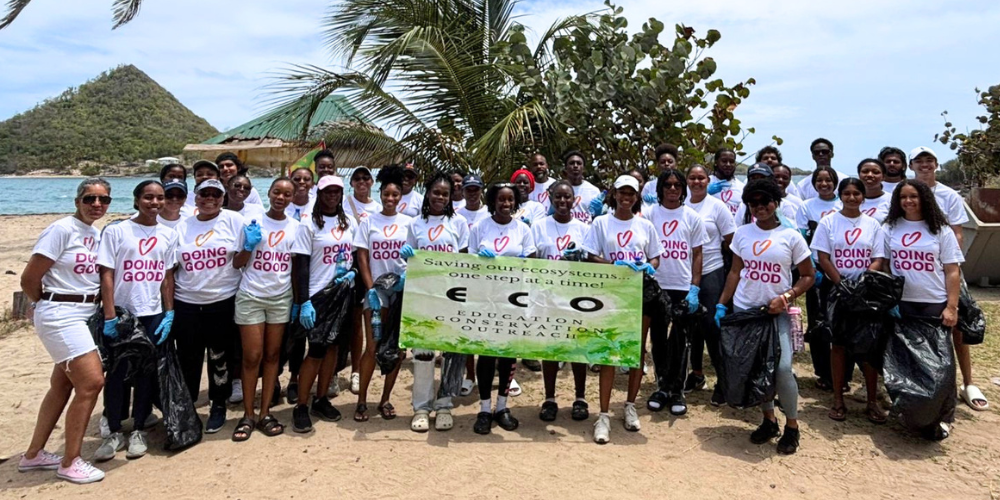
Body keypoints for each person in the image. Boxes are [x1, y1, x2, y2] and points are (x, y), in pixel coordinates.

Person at [18, 178, 111, 484]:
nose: (96, 204)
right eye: (89, 199)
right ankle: (70, 461)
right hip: (61, 314)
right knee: (91, 382)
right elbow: (30, 279)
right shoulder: (61, 230)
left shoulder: (94, 233)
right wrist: (45, 305)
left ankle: (34, 454)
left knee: (62, 385)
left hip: (85, 313)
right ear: (77, 201)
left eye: (103, 200)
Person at [716, 178, 815, 455]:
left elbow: (808, 276)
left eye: (765, 201)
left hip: (776, 313)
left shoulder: (791, 236)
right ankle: (769, 420)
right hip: (747, 311)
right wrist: (722, 304)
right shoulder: (743, 234)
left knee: (782, 369)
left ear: (776, 203)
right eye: (753, 203)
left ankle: (792, 426)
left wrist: (786, 297)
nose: (760, 207)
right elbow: (735, 271)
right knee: (757, 368)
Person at [95, 180, 178, 461]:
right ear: (136, 200)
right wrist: (109, 315)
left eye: (159, 198)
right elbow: (106, 274)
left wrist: (169, 312)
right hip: (122, 312)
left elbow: (167, 276)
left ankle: (140, 428)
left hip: (152, 312)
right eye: (148, 197)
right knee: (116, 373)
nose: (154, 203)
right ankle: (114, 430)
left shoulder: (168, 234)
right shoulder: (117, 230)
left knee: (146, 371)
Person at [582, 175, 662, 444]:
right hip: (610, 295)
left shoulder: (646, 225)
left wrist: (649, 265)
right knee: (608, 352)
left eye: (631, 193)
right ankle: (603, 415)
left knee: (636, 352)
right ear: (614, 195)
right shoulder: (601, 223)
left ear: (637, 196)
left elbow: (655, 256)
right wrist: (612, 266)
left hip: (640, 294)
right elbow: (590, 255)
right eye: (621, 193)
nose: (626, 197)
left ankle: (629, 405)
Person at [908, 147, 987, 411]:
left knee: (957, 324)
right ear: (911, 166)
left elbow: (957, 234)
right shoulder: (905, 194)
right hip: (916, 274)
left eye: (929, 160)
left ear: (936, 164)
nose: (925, 165)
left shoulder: (949, 195)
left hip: (946, 269)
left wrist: (951, 270)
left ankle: (968, 382)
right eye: (919, 161)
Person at [882, 179, 963, 438]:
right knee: (906, 364)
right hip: (902, 305)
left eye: (914, 196)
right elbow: (884, 264)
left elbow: (952, 270)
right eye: (903, 197)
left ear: (924, 198)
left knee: (942, 366)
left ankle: (943, 416)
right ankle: (908, 412)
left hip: (934, 304)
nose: (908, 201)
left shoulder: (941, 230)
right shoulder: (890, 227)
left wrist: (952, 306)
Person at [171, 179, 245, 434]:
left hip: (222, 300)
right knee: (188, 357)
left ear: (223, 198)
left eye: (216, 194)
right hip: (187, 302)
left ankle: (218, 405)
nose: (210, 199)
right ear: (196, 197)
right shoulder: (182, 226)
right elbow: (171, 269)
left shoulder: (234, 221)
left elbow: (243, 257)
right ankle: (189, 405)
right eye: (204, 194)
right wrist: (169, 308)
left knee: (219, 357)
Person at [811, 178, 888, 423]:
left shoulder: (873, 224)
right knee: (839, 345)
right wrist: (841, 283)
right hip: (838, 291)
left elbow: (878, 257)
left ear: (863, 197)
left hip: (866, 294)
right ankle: (837, 399)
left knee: (868, 346)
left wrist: (863, 282)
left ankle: (872, 401)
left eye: (856, 193)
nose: (852, 198)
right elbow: (823, 257)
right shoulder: (828, 222)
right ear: (840, 196)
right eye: (847, 193)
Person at [231, 178, 299, 441]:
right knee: (252, 357)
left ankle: (265, 412)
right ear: (268, 193)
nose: (281, 197)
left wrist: (298, 302)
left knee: (272, 356)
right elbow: (237, 262)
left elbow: (294, 266)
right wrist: (248, 246)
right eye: (277, 192)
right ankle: (248, 414)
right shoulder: (252, 221)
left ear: (293, 198)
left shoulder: (296, 227)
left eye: (287, 194)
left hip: (281, 298)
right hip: (251, 295)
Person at [402, 171, 470, 432]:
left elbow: (464, 260)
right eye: (435, 192)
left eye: (445, 193)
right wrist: (408, 257)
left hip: (451, 295)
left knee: (451, 351)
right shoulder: (415, 223)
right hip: (421, 296)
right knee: (423, 352)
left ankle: (444, 404)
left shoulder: (459, 223)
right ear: (427, 193)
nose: (440, 197)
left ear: (451, 195)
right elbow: (408, 259)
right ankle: (421, 406)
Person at [289, 175, 358, 433]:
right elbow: (301, 265)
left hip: (342, 292)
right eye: (327, 191)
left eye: (337, 192)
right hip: (318, 295)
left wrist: (352, 272)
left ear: (341, 194)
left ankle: (321, 399)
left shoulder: (348, 221)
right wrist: (303, 301)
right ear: (319, 193)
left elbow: (352, 255)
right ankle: (301, 406)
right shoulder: (308, 224)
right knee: (316, 350)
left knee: (333, 349)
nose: (332, 196)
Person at [469, 183, 537, 434]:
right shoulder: (480, 228)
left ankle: (502, 406)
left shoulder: (523, 229)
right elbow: (470, 261)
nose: (505, 204)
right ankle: (485, 409)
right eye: (501, 199)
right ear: (492, 201)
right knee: (486, 355)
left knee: (508, 355)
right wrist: (480, 259)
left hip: (514, 300)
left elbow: (531, 261)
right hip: (486, 300)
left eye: (510, 200)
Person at [645, 169, 708, 416]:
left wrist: (695, 287)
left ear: (683, 189)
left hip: (682, 285)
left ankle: (677, 389)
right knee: (658, 338)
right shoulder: (649, 215)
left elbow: (698, 253)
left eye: (677, 185)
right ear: (660, 188)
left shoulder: (692, 217)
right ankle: (662, 386)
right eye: (668, 185)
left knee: (681, 341)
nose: (673, 189)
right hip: (656, 285)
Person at [354, 166, 412, 422]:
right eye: (386, 194)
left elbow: (416, 257)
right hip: (377, 292)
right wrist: (370, 291)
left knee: (397, 349)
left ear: (401, 197)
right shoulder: (368, 221)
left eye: (395, 195)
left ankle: (385, 398)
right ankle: (362, 400)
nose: (390, 199)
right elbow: (363, 257)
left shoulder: (409, 223)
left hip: (401, 291)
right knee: (373, 346)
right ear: (381, 194)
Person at [533, 179, 591, 421]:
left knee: (577, 348)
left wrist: (580, 258)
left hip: (575, 297)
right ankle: (550, 398)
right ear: (550, 198)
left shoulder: (584, 228)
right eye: (558, 196)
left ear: (574, 200)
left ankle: (580, 398)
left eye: (567, 197)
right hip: (547, 296)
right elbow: (532, 260)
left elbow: (591, 263)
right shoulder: (538, 226)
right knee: (551, 348)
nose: (563, 201)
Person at [684, 164, 737, 405]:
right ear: (687, 180)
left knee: (712, 329)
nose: (697, 182)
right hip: (683, 275)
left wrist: (730, 273)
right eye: (692, 178)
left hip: (711, 272)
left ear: (708, 180)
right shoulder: (680, 203)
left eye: (701, 178)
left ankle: (724, 381)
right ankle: (696, 374)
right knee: (691, 328)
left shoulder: (717, 207)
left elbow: (731, 242)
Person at [795, 165, 841, 391]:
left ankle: (842, 374)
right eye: (819, 181)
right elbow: (802, 237)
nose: (824, 184)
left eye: (828, 180)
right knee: (817, 321)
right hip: (817, 272)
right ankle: (823, 372)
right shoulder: (806, 206)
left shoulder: (843, 204)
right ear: (814, 184)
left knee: (840, 323)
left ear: (835, 182)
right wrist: (813, 267)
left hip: (840, 271)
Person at [735, 164, 801, 226]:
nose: (758, 181)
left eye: (762, 178)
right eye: (753, 178)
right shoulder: (744, 205)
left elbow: (790, 227)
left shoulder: (784, 205)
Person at [562, 150, 602, 223]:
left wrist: (598, 213)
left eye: (579, 163)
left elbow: (597, 219)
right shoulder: (559, 189)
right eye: (572, 163)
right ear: (566, 168)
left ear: (583, 168)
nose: (575, 166)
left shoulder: (594, 190)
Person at [708, 148, 744, 216]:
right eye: (724, 161)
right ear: (716, 163)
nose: (728, 164)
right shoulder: (705, 183)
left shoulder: (742, 187)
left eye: (731, 161)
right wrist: (704, 193)